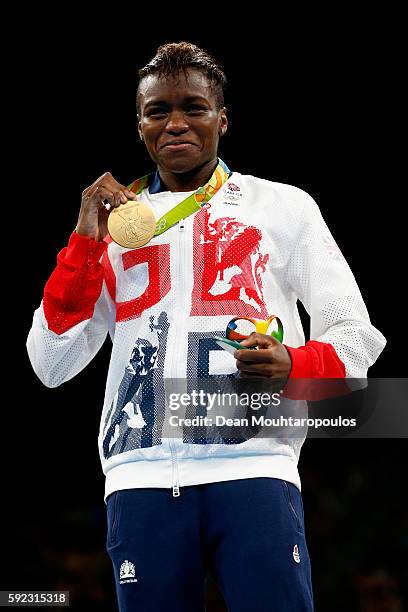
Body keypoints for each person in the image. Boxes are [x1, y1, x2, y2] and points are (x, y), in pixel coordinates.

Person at [26, 42, 386, 612]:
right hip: (138, 477)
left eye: (193, 107)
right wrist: (84, 243)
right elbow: (49, 363)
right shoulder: (112, 230)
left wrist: (295, 363)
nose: (175, 123)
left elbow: (355, 338)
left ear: (223, 118)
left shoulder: (283, 208)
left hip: (255, 465)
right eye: (157, 110)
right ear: (140, 124)